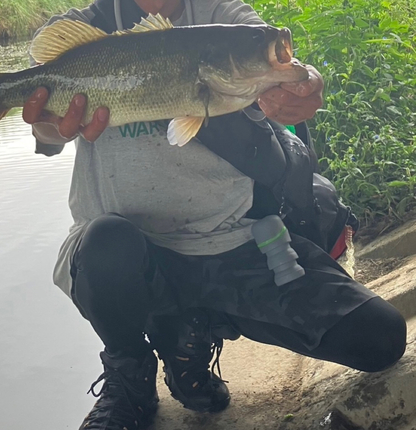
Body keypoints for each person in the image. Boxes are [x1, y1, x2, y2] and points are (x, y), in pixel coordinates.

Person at [22, 1, 407, 429]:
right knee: (107, 244)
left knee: (381, 339)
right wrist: (54, 124)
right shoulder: (86, 26)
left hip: (232, 241)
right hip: (128, 255)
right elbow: (45, 127)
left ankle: (188, 338)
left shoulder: (223, 17)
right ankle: (128, 377)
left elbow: (288, 64)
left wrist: (303, 82)